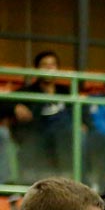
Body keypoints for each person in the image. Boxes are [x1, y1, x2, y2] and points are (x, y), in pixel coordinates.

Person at [15, 52, 70, 180]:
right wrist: (15, 107)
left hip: (63, 138)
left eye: (52, 65)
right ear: (37, 69)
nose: (49, 68)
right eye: (44, 65)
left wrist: (83, 124)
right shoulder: (28, 91)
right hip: (37, 136)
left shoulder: (66, 91)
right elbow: (4, 102)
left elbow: (80, 112)